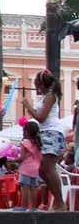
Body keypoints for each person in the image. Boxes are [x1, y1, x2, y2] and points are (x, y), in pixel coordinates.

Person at [23, 70, 66, 211]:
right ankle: (58, 201)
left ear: (40, 84)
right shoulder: (45, 97)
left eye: (35, 83)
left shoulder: (50, 97)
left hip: (52, 132)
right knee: (41, 170)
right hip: (46, 133)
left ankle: (60, 202)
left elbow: (41, 118)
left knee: (49, 168)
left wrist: (28, 107)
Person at [10, 121, 43, 212]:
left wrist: (11, 160)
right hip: (36, 168)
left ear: (26, 132)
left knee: (25, 188)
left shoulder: (24, 143)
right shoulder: (38, 143)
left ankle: (23, 207)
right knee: (33, 187)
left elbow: (21, 158)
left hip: (26, 168)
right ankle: (33, 208)